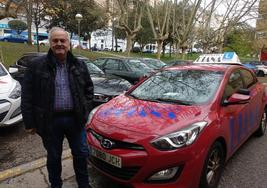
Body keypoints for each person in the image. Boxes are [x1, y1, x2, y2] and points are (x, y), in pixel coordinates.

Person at [21, 27, 94, 188]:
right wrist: (29, 122)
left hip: (75, 119)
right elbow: (27, 95)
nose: (59, 44)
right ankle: (55, 185)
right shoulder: (36, 66)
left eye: (63, 40)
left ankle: (84, 184)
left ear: (69, 43)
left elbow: (89, 90)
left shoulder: (79, 64)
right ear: (50, 42)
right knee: (54, 157)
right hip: (49, 121)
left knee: (81, 154)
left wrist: (85, 110)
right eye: (55, 40)